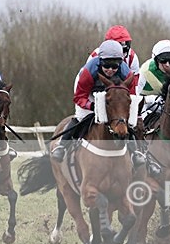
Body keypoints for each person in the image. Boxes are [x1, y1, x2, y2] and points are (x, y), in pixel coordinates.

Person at [51, 39, 143, 167]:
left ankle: (135, 152)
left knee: (127, 122)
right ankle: (62, 146)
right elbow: (79, 97)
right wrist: (92, 106)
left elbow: (131, 97)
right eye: (106, 65)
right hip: (89, 93)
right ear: (100, 61)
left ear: (120, 63)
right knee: (81, 117)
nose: (110, 70)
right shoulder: (88, 72)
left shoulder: (127, 73)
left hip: (114, 95)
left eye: (115, 66)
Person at [137, 39, 170, 130]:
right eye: (163, 61)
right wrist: (149, 99)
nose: (167, 65)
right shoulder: (145, 70)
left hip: (165, 103)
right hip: (146, 103)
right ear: (156, 60)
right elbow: (135, 95)